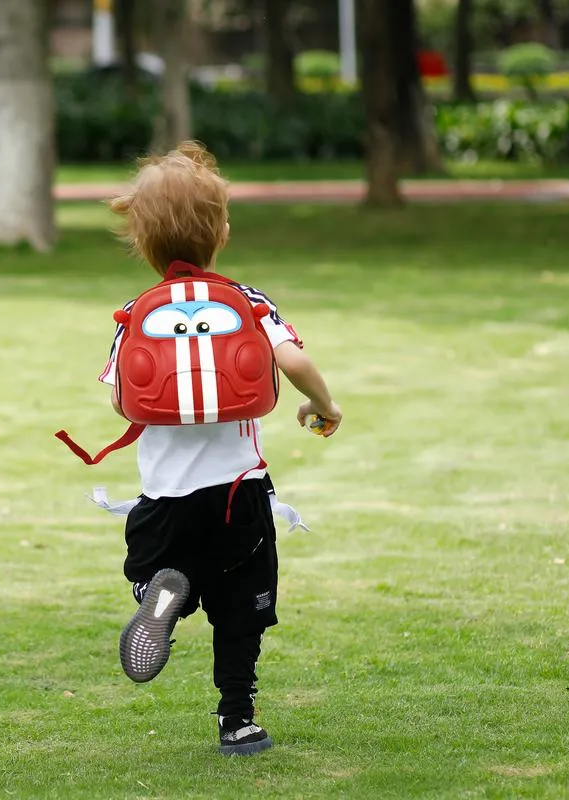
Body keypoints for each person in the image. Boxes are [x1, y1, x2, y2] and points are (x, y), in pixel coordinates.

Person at [99, 141, 342, 756]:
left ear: (141, 241)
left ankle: (158, 591)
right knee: (239, 613)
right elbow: (293, 360)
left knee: (152, 564)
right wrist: (324, 406)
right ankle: (238, 719)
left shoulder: (136, 313)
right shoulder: (250, 303)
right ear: (222, 233)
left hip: (164, 499)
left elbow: (121, 401)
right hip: (239, 493)